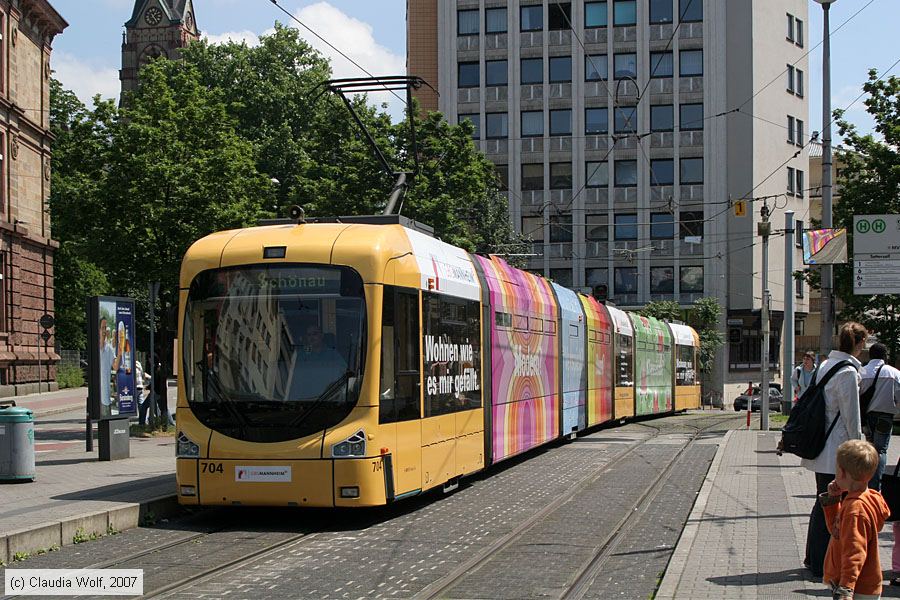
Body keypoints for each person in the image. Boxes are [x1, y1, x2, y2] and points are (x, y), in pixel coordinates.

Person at [801, 321, 868, 578]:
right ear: (859, 344)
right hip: (837, 448)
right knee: (830, 504)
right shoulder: (848, 371)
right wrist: (859, 449)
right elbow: (852, 415)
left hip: (822, 445)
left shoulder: (825, 365)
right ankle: (820, 562)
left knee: (823, 501)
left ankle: (814, 558)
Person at [819, 440, 889, 599]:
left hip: (857, 588)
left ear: (842, 473)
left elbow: (855, 551)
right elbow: (837, 532)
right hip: (859, 585)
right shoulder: (866, 497)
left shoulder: (855, 509)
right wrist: (833, 500)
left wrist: (846, 587)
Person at [860, 343, 900, 490]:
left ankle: (866, 482)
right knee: (881, 450)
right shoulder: (893, 373)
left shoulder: (862, 372)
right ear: (885, 356)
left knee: (868, 448)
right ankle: (876, 486)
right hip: (885, 418)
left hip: (866, 418)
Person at [287, 325, 347, 401]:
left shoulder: (332, 354)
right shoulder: (301, 354)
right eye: (309, 335)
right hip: (304, 400)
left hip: (328, 398)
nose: (312, 337)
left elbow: (344, 373)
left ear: (321, 335)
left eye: (315, 334)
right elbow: (291, 376)